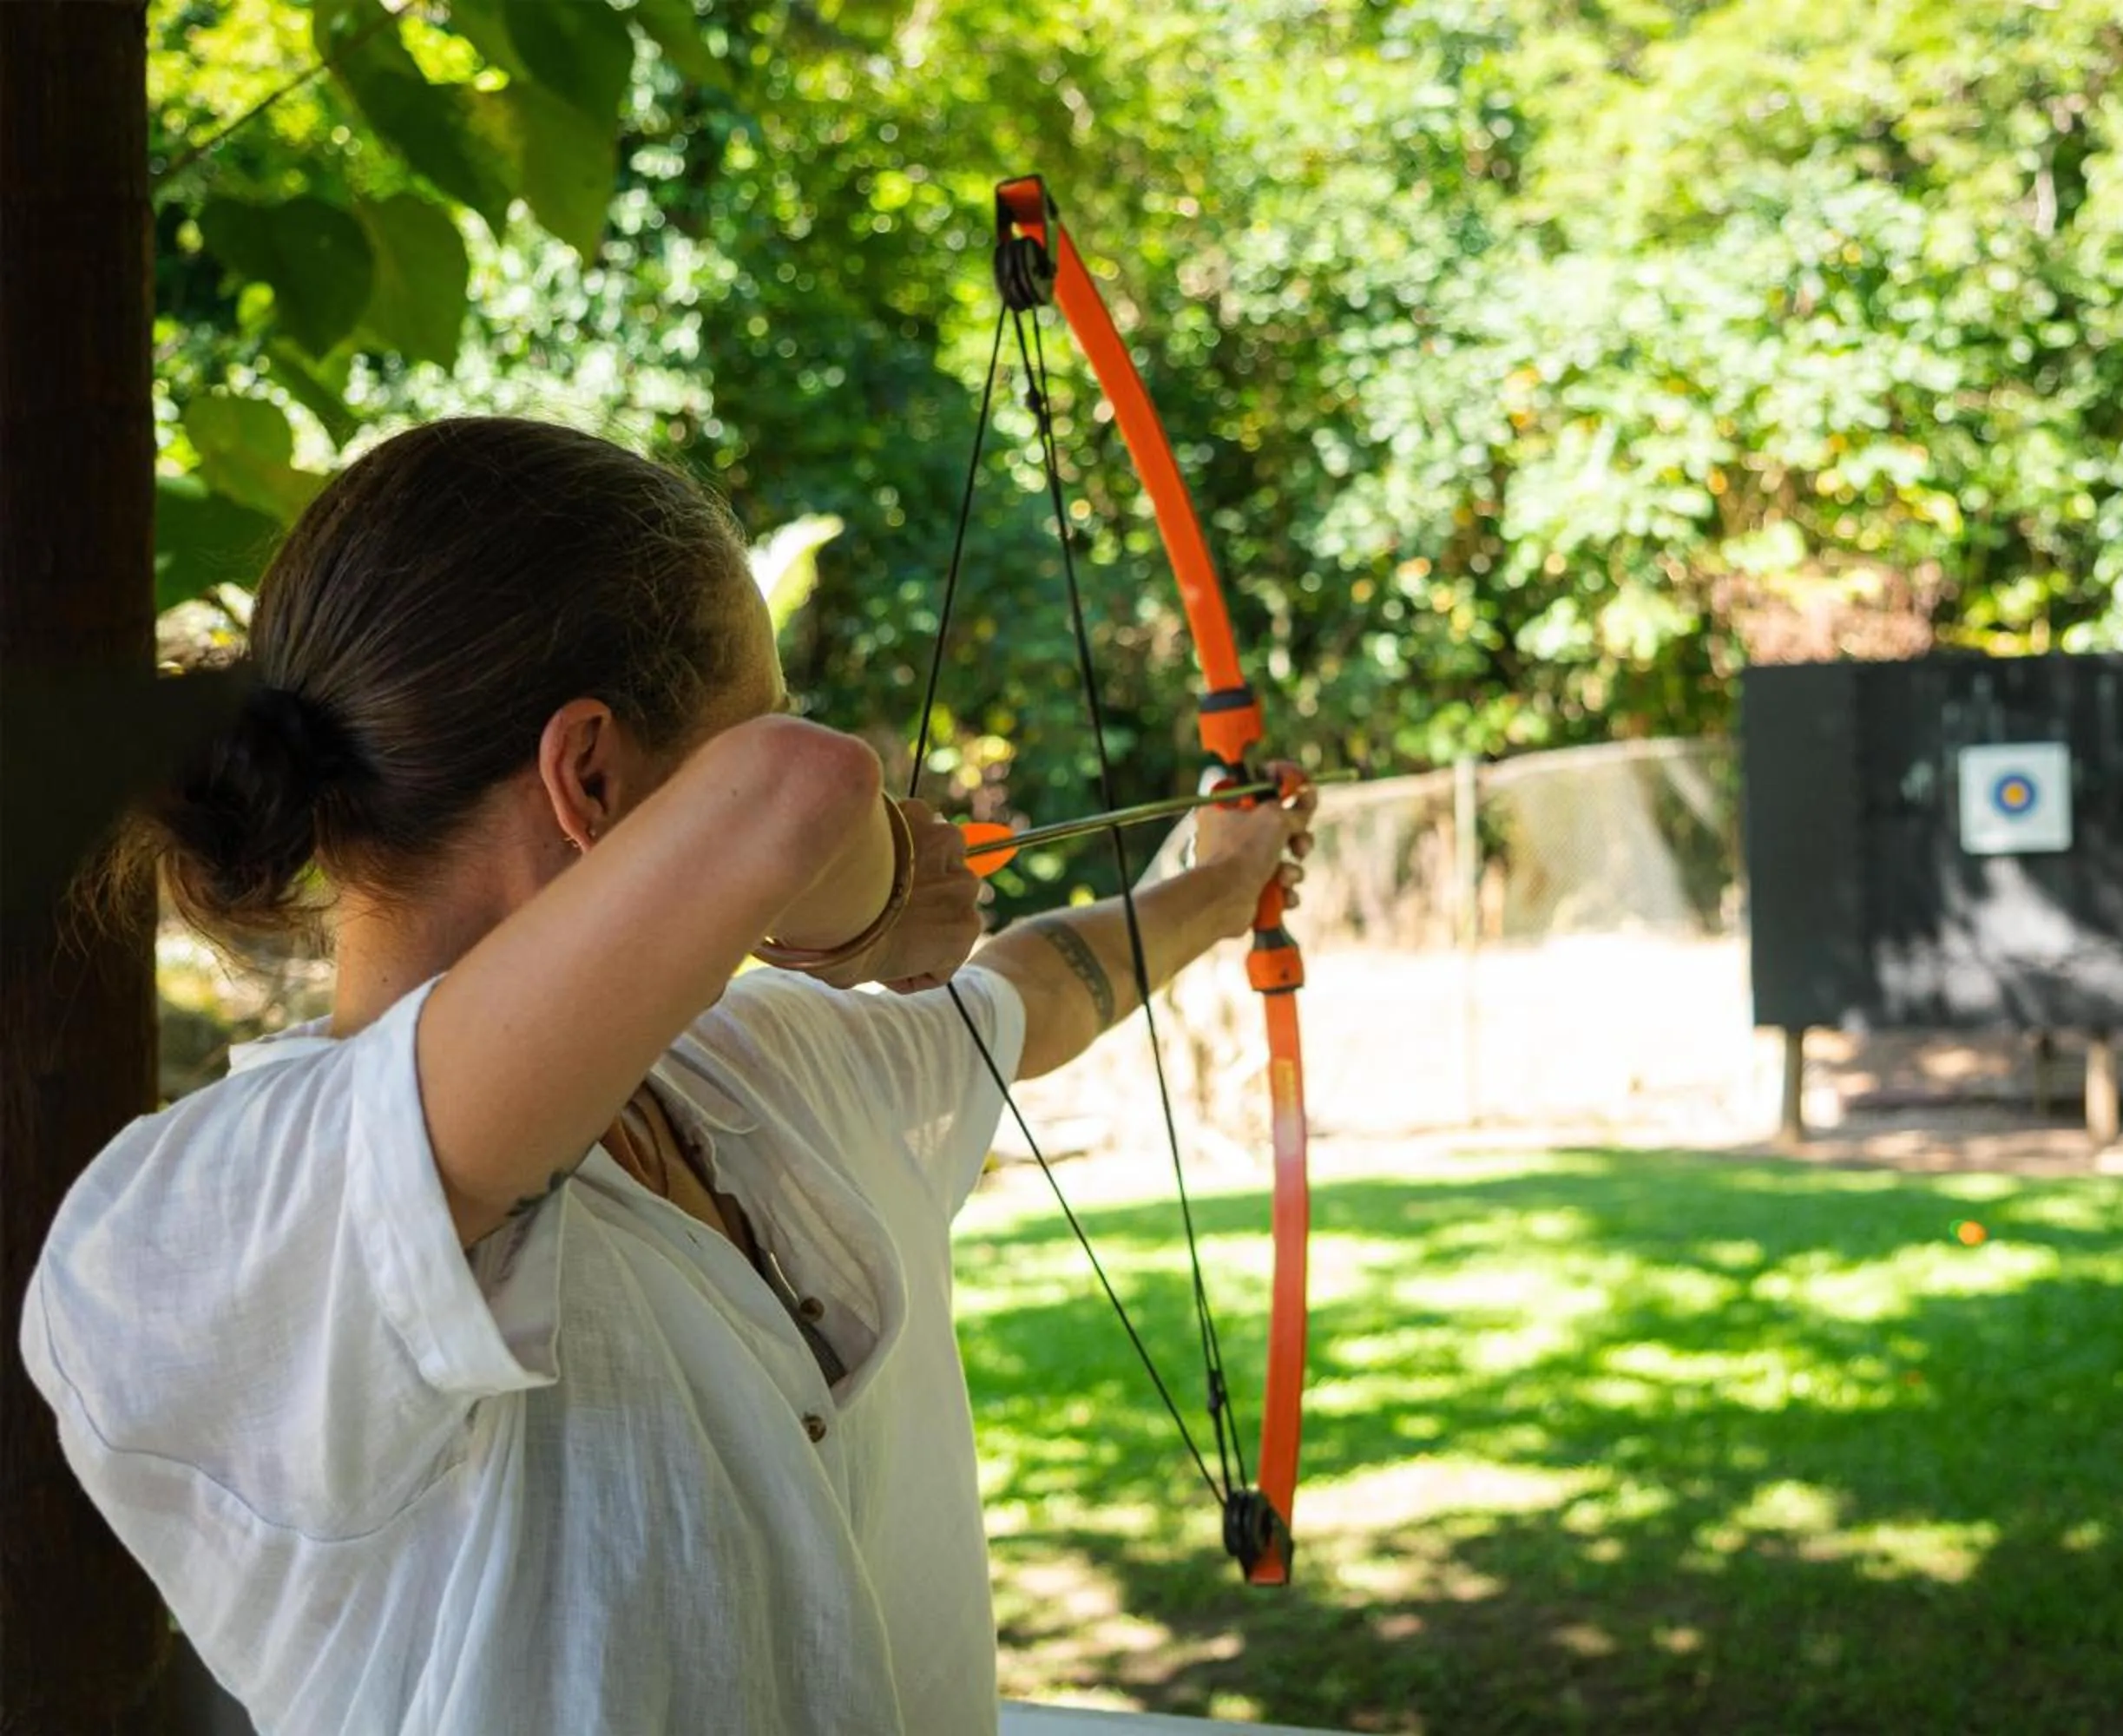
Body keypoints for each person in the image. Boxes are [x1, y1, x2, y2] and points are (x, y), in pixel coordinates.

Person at [18, 417, 1315, 1735]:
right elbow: (791, 790)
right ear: (589, 774)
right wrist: (873, 910)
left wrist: (1221, 882)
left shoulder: (746, 1074)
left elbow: (1033, 992)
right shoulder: (219, 1223)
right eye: (754, 705)